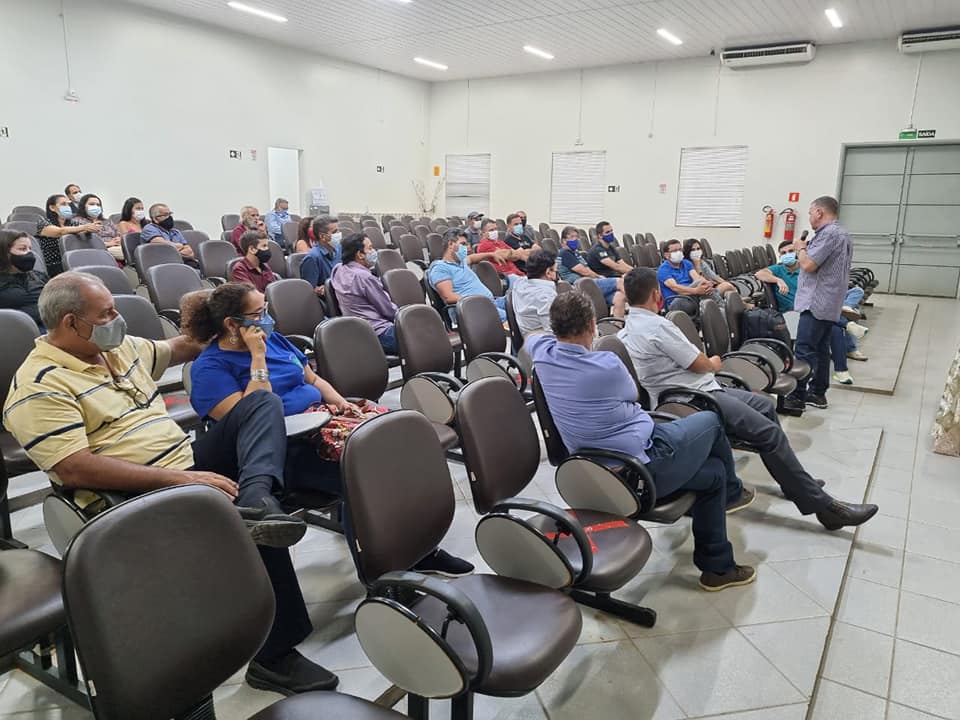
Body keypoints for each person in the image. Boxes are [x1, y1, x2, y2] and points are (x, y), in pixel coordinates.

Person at [2, 272, 338, 695]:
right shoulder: (39, 386)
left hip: (182, 463)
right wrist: (185, 479)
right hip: (129, 494)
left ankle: (257, 497)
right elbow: (74, 468)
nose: (117, 319)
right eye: (106, 313)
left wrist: (223, 316)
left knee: (261, 404)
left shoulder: (116, 348)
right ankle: (275, 658)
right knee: (239, 520)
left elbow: (182, 346)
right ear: (71, 322)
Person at [183, 282, 474, 577]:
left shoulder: (276, 340)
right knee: (368, 472)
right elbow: (250, 419)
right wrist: (257, 358)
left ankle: (421, 549)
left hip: (323, 420)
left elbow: (313, 380)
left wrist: (343, 404)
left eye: (266, 309)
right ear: (232, 324)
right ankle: (384, 570)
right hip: (282, 448)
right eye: (258, 314)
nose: (267, 319)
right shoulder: (209, 368)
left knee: (398, 442)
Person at [527, 290, 756, 591]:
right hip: (639, 466)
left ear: (555, 327)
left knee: (714, 474)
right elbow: (633, 394)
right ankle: (733, 494)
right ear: (593, 325)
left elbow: (532, 336)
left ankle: (718, 567)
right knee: (712, 421)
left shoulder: (541, 353)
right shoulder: (606, 364)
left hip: (595, 466)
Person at [619, 268, 879, 531]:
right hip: (694, 397)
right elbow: (701, 364)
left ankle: (795, 484)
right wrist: (714, 362)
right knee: (768, 433)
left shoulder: (626, 330)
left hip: (696, 390)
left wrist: (709, 366)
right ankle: (824, 508)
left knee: (764, 405)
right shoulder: (658, 326)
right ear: (656, 294)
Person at [756, 238, 867, 389]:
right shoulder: (778, 269)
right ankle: (847, 325)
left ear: (797, 253)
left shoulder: (806, 269)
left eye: (790, 251)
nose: (787, 255)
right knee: (831, 323)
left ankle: (841, 370)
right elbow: (760, 273)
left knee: (833, 328)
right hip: (792, 314)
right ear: (780, 256)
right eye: (783, 253)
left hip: (811, 309)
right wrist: (778, 280)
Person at [783, 197, 853, 411]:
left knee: (804, 350)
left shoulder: (829, 234)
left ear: (820, 212)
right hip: (828, 302)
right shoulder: (842, 233)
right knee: (821, 348)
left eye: (811, 212)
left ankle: (797, 397)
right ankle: (818, 393)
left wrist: (800, 248)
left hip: (816, 302)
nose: (810, 217)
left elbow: (809, 265)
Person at [330, 232, 399, 354]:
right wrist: (405, 317)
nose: (374, 252)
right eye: (370, 248)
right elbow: (387, 310)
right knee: (424, 336)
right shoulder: (364, 277)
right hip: (380, 333)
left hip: (358, 332)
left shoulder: (338, 269)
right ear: (360, 254)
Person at [428, 228, 511, 322]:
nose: (467, 247)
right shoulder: (440, 269)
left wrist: (491, 254)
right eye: (463, 244)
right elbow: (448, 297)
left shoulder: (460, 262)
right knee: (514, 318)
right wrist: (478, 302)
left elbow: (472, 258)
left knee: (518, 301)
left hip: (491, 302)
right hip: (471, 310)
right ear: (451, 244)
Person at [37, 194, 102, 276]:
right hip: (54, 265)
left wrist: (91, 229)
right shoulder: (44, 223)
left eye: (68, 204)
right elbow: (60, 232)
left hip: (76, 261)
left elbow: (81, 232)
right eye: (63, 204)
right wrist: (84, 227)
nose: (67, 207)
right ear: (52, 208)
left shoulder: (73, 223)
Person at [557, 226, 622, 304]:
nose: (575, 239)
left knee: (619, 297)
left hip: (588, 282)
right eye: (572, 237)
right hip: (579, 286)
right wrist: (599, 277)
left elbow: (586, 268)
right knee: (620, 282)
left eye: (576, 237)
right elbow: (584, 271)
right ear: (564, 240)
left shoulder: (575, 253)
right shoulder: (565, 253)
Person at [0, 230, 48, 329]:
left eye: (30, 249)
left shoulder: (39, 276)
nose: (29, 253)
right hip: (16, 331)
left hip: (50, 327)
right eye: (22, 249)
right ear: (5, 253)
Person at [657, 238, 714, 317]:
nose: (678, 253)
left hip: (692, 297)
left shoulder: (686, 263)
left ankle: (717, 310)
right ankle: (719, 307)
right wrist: (696, 290)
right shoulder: (663, 269)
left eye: (680, 250)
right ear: (666, 255)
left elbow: (697, 277)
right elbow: (675, 288)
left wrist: (708, 284)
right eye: (675, 251)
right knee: (705, 293)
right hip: (675, 302)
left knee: (703, 284)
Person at [511, 248, 558, 336]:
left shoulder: (519, 283)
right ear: (548, 273)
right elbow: (553, 333)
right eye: (555, 271)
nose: (556, 274)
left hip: (527, 337)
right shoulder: (546, 296)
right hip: (543, 341)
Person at [141, 204, 200, 269]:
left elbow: (190, 253)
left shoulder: (175, 231)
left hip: (183, 264)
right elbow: (164, 247)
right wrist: (180, 246)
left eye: (170, 214)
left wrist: (173, 252)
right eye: (165, 215)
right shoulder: (149, 228)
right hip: (162, 265)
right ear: (155, 219)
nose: (169, 217)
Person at [72, 194, 123, 261]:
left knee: (131, 249)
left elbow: (118, 234)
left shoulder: (107, 221)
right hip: (98, 250)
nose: (95, 207)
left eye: (98, 205)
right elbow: (82, 242)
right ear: (83, 206)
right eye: (91, 204)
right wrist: (109, 244)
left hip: (116, 247)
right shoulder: (77, 221)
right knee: (130, 253)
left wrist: (119, 240)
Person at [299, 216, 341, 296]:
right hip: (327, 300)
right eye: (335, 232)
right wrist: (321, 290)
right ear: (322, 236)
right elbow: (308, 290)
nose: (339, 234)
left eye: (339, 231)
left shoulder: (339, 248)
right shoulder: (312, 258)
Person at [476, 218, 524, 286]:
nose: (495, 232)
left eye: (496, 229)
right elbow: (506, 255)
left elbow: (517, 255)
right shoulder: (483, 245)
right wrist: (510, 253)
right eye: (491, 230)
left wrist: (507, 253)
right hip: (504, 277)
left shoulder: (500, 242)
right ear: (483, 233)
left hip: (516, 273)